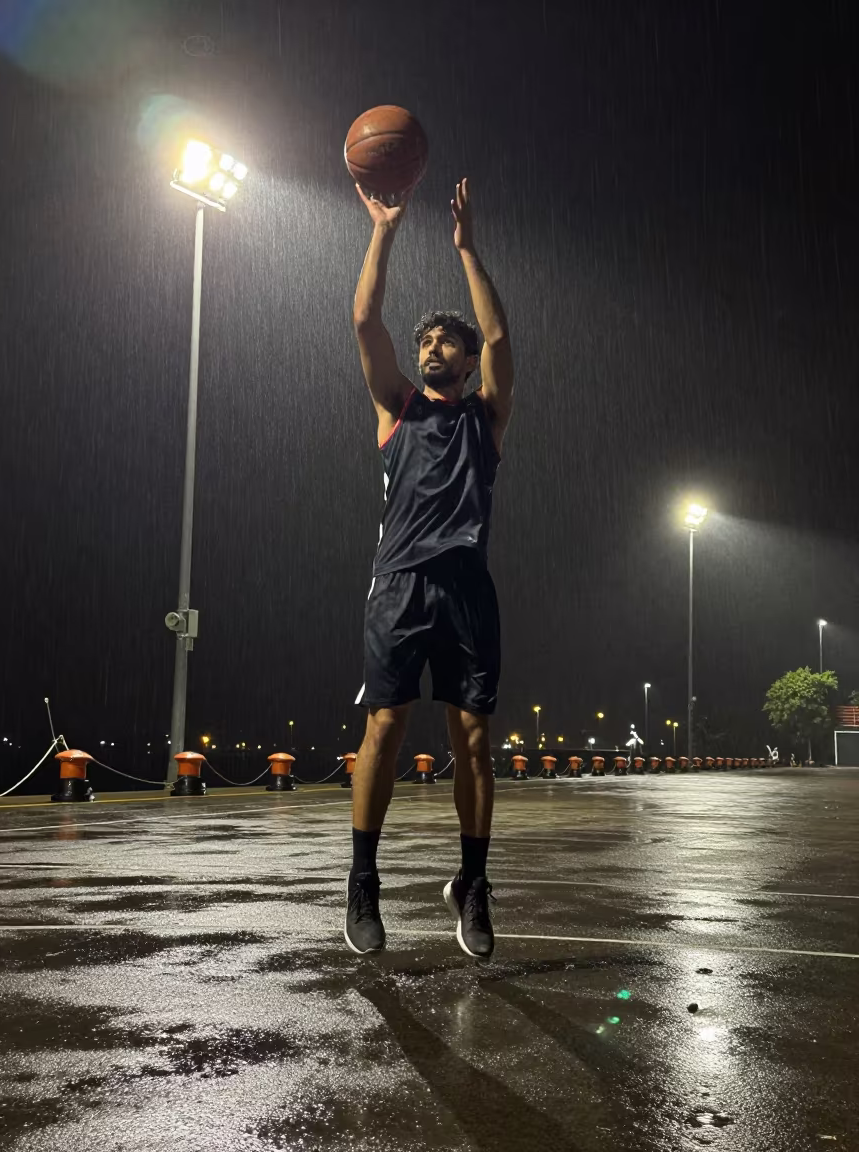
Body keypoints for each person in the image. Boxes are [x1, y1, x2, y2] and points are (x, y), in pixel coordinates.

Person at [345, 178, 514, 958]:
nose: (432, 347)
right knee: (385, 725)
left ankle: (472, 886)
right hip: (400, 585)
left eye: (448, 340)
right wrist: (384, 229)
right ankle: (363, 881)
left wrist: (469, 249)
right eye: (426, 342)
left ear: (469, 357)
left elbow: (503, 340)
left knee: (474, 741)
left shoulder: (487, 415)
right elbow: (364, 319)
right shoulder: (397, 408)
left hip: (467, 589)